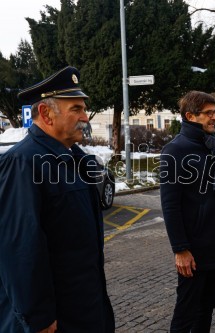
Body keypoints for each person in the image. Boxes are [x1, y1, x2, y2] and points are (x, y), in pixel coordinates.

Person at [0, 66, 115, 332]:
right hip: (52, 321)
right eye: (76, 109)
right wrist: (38, 317)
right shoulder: (22, 163)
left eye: (84, 109)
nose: (85, 117)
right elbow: (19, 248)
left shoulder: (77, 160)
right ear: (45, 113)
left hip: (85, 310)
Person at [160, 91, 215, 333]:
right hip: (193, 249)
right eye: (208, 113)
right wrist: (180, 249)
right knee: (187, 312)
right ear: (190, 116)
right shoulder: (175, 150)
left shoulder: (211, 145)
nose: (214, 117)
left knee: (207, 307)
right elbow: (170, 205)